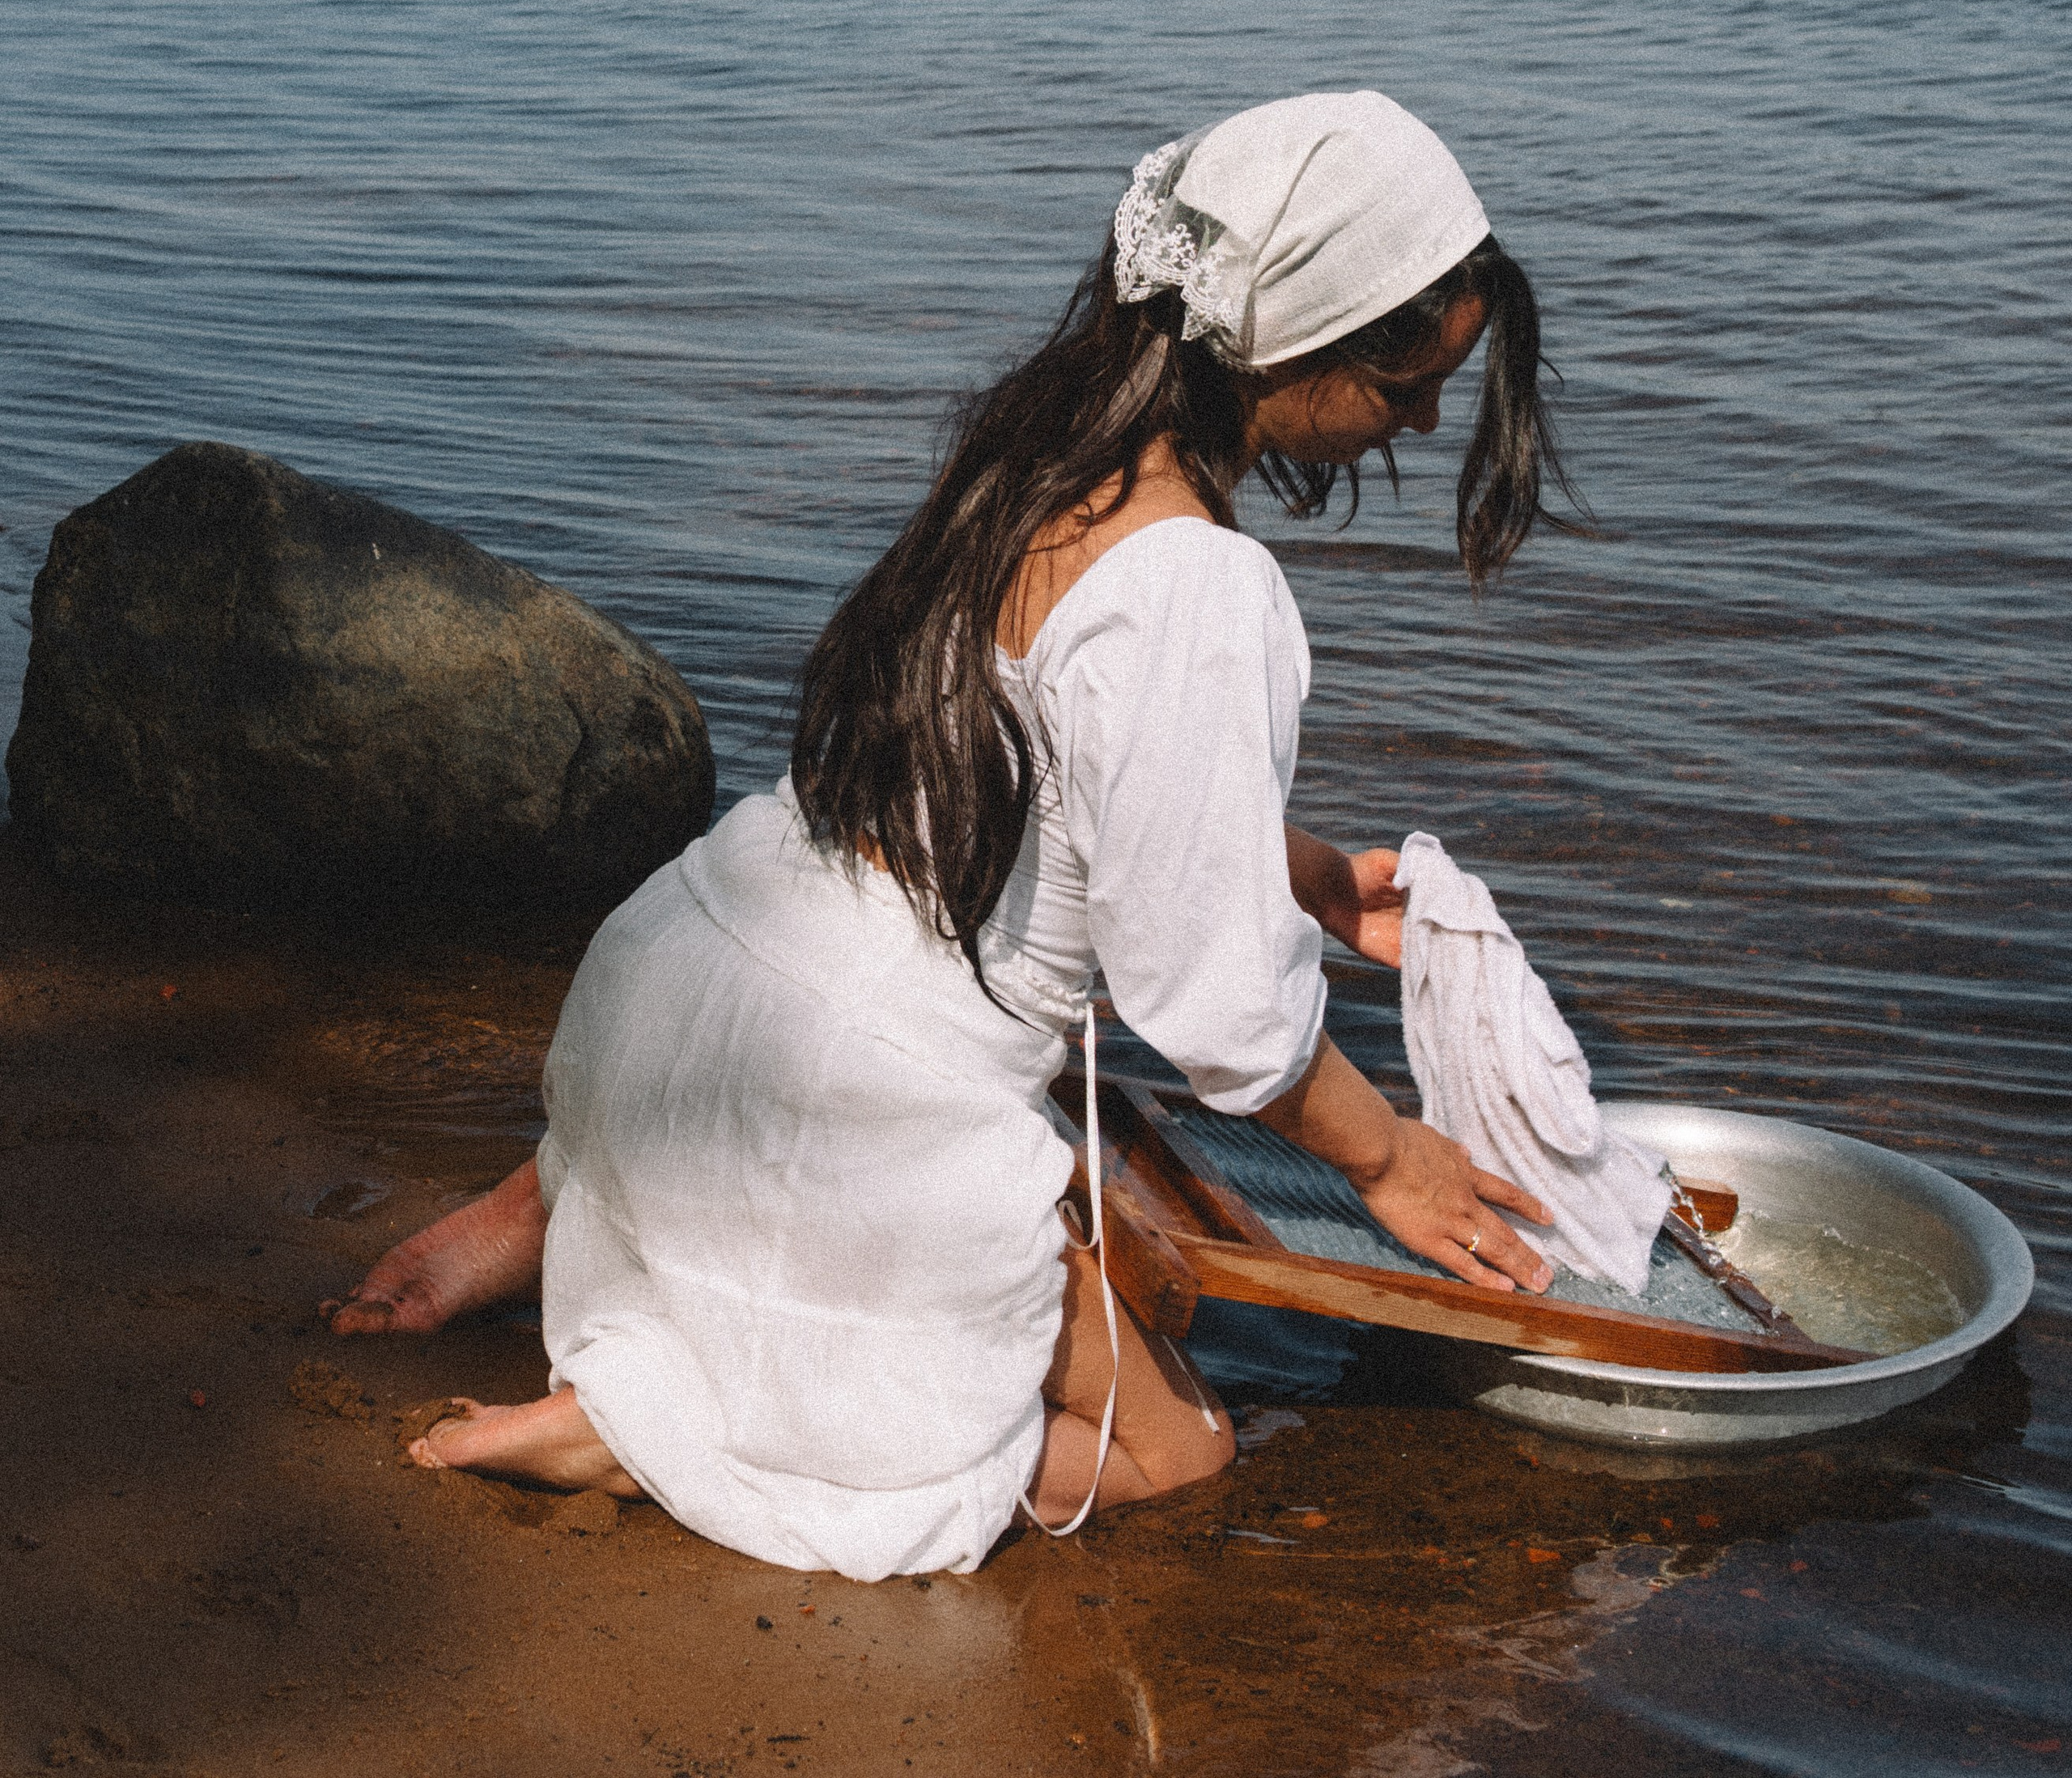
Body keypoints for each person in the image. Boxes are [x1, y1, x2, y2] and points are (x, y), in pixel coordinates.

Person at [324, 90, 1568, 1578]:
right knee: (1176, 1453)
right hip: (841, 1097)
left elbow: (1027, 771)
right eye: (1403, 380)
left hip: (673, 987)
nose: (1424, 420)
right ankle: (660, 1431)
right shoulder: (1205, 588)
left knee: (905, 1195)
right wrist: (1389, 1161)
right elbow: (1222, 1017)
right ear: (1286, 338)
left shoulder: (1040, 458)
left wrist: (1290, 874)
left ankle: (559, 1204)